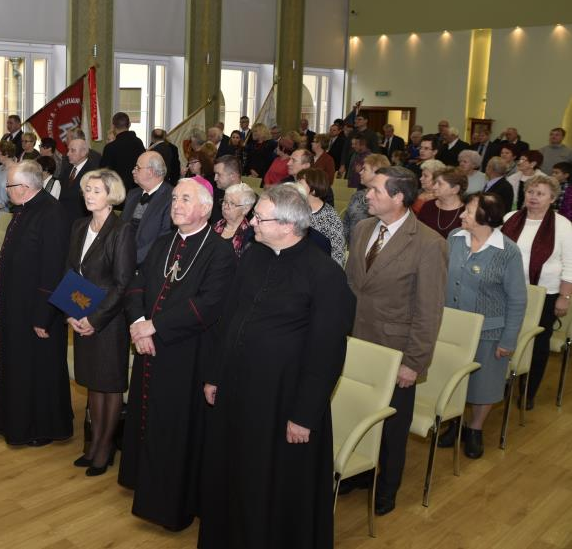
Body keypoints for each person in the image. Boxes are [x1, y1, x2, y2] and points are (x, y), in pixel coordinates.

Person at [199, 184, 354, 549]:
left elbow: (327, 352)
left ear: (287, 225)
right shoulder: (255, 255)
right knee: (234, 472)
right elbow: (231, 318)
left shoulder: (325, 275)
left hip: (284, 400)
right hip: (237, 390)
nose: (251, 222)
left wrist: (304, 414)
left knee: (272, 482)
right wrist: (214, 374)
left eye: (259, 217)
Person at [118, 178, 236, 532]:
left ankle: (171, 504)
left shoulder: (220, 251)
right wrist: (139, 323)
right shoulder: (164, 242)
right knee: (146, 418)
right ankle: (144, 484)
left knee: (175, 428)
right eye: (174, 198)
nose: (176, 204)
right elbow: (137, 283)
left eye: (185, 198)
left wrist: (155, 327)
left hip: (187, 354)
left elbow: (209, 305)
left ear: (205, 207)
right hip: (149, 346)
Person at [344, 166, 448, 516]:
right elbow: (351, 287)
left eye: (374, 190)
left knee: (392, 424)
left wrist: (414, 362)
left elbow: (429, 310)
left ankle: (387, 486)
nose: (366, 195)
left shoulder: (429, 244)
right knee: (359, 409)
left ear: (399, 197)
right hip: (356, 340)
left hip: (395, 351)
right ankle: (359, 473)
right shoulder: (362, 229)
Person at [0, 161, 73, 445]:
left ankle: (42, 428)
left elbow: (54, 270)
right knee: (21, 368)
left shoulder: (52, 213)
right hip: (18, 306)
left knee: (40, 371)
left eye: (9, 186)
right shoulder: (26, 208)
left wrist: (43, 316)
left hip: (37, 311)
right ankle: (16, 422)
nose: (6, 190)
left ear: (24, 188)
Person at [436, 193, 526, 457]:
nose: (462, 215)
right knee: (453, 379)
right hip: (451, 328)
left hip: (490, 331)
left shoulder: (507, 252)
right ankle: (456, 421)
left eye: (469, 211)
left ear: (486, 217)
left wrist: (508, 340)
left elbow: (518, 300)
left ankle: (474, 428)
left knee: (484, 384)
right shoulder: (455, 238)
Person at [66, 169, 136, 475]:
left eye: (96, 190)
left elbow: (122, 284)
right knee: (93, 384)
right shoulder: (80, 225)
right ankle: (94, 443)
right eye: (86, 190)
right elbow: (71, 273)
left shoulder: (122, 230)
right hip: (82, 313)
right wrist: (72, 312)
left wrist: (94, 319)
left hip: (109, 319)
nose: (89, 195)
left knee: (109, 386)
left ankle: (105, 448)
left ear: (111, 195)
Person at [502, 175, 572, 410]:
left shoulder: (562, 225)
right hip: (507, 290)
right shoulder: (510, 218)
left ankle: (528, 391)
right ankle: (501, 383)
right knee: (505, 337)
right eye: (531, 191)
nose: (533, 196)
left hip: (544, 293)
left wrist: (565, 296)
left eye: (540, 193)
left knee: (538, 343)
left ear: (552, 199)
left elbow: (570, 264)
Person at [120, 151, 173, 266]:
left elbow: (163, 239)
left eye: (137, 168)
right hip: (123, 256)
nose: (133, 171)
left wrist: (131, 259)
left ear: (150, 172)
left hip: (148, 263)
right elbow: (120, 227)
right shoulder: (133, 194)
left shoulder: (170, 197)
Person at [297, 168, 345, 264]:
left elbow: (338, 254)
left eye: (300, 184)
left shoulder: (330, 217)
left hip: (318, 268)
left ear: (313, 190)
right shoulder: (293, 210)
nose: (295, 187)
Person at [341, 153, 390, 244]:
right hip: (351, 248)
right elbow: (346, 222)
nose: (360, 172)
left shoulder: (385, 199)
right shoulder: (357, 195)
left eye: (365, 169)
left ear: (376, 172)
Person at [100, 112, 145, 192]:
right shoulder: (139, 143)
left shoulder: (110, 147)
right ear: (129, 124)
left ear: (113, 126)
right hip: (137, 190)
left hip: (117, 191)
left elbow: (103, 173)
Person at [417, 167, 467, 238]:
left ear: (455, 189)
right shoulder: (428, 205)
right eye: (435, 183)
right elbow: (418, 232)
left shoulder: (466, 211)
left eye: (440, 184)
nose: (434, 187)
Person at [211, 182, 256, 258]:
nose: (225, 206)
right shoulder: (214, 227)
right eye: (224, 201)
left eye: (232, 203)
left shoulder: (250, 236)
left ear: (245, 209)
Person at [58, 137, 96, 224]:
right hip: (63, 218)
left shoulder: (92, 172)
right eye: (68, 150)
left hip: (80, 221)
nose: (68, 154)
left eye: (72, 150)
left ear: (83, 152)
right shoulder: (67, 169)